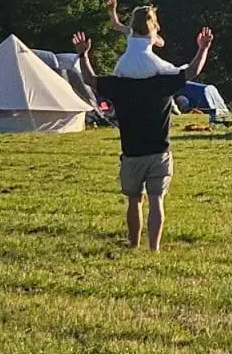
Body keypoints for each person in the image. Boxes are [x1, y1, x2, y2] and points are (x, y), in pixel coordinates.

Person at [72, 26, 214, 252]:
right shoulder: (163, 82)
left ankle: (133, 243)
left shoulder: (119, 85)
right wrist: (203, 48)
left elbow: (90, 79)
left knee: (134, 201)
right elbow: (192, 71)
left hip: (132, 154)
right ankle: (154, 248)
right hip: (160, 153)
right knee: (157, 200)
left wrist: (83, 54)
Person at [106, 0, 180, 78]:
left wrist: (112, 10)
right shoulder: (151, 35)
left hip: (128, 61)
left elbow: (116, 25)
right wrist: (154, 30)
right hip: (147, 60)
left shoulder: (131, 31)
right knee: (169, 74)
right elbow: (162, 43)